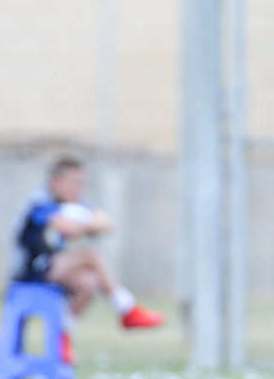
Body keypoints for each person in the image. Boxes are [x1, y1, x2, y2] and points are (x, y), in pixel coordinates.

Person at [12, 155, 164, 362]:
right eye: (74, 183)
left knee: (89, 282)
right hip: (31, 270)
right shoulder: (41, 202)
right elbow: (67, 227)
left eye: (81, 183)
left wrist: (84, 224)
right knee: (90, 256)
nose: (79, 189)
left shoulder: (74, 204)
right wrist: (87, 224)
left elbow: (106, 223)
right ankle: (127, 308)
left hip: (55, 268)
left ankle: (63, 334)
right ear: (56, 182)